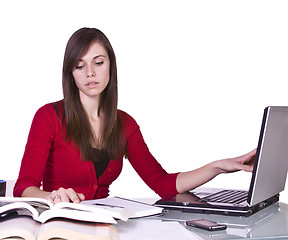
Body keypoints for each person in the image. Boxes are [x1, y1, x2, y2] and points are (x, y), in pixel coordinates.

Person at [13, 27, 256, 204]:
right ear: (71, 73)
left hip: (105, 227)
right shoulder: (49, 117)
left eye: (98, 62)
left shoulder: (124, 124)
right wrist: (52, 196)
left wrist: (217, 167)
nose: (90, 73)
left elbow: (161, 183)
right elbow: (24, 186)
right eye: (80, 66)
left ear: (110, 66)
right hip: (59, 225)